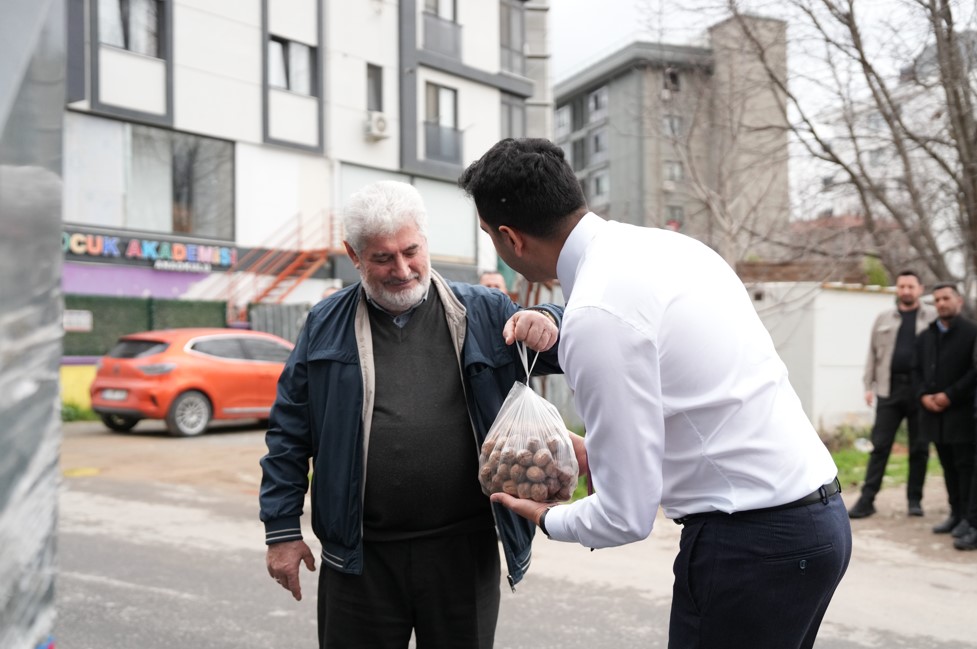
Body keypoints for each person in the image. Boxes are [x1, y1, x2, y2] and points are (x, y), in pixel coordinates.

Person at [458, 138, 852, 649]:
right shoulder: (672, 249)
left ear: (511, 239)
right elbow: (699, 400)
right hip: (816, 522)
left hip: (751, 545)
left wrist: (550, 518)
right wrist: (598, 450)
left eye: (490, 236)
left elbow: (625, 516)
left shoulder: (598, 314)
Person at [259, 180, 564, 648]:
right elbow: (289, 431)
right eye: (382, 258)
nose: (402, 269)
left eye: (411, 251)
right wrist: (281, 531)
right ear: (354, 255)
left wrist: (549, 321)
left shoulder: (483, 311)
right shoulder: (326, 323)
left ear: (426, 240)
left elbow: (568, 348)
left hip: (463, 555)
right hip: (360, 558)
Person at [848, 270, 938, 519]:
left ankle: (914, 500)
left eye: (911, 286)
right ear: (897, 289)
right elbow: (872, 354)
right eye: (902, 286)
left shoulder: (932, 317)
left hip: (921, 392)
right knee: (880, 446)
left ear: (920, 289)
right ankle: (867, 500)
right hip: (890, 389)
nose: (906, 291)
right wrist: (868, 385)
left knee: (919, 448)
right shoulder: (883, 318)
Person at [912, 282, 977, 544]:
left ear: (958, 301)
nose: (941, 303)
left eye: (946, 298)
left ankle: (967, 519)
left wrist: (950, 394)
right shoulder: (925, 336)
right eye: (937, 300)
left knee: (965, 467)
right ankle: (956, 514)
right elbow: (915, 371)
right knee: (947, 466)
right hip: (934, 415)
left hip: (960, 412)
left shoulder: (971, 333)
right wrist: (923, 396)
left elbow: (974, 372)